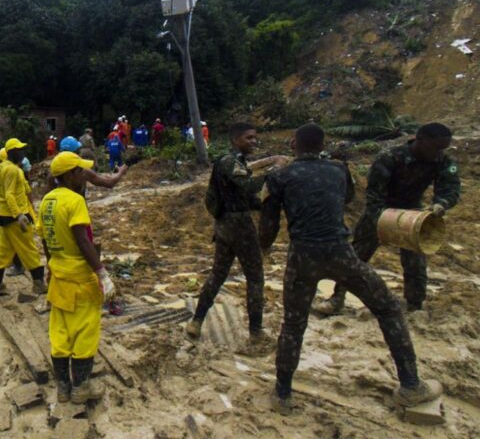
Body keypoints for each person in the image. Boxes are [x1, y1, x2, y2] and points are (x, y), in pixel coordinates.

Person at [259, 123, 443, 414]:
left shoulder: (279, 177)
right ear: (322, 145)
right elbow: (346, 198)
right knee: (389, 308)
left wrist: (264, 247)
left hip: (302, 257)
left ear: (294, 144)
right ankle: (410, 385)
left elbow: (268, 228)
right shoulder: (338, 170)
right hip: (342, 254)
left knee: (293, 325)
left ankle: (282, 394)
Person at [315, 122, 461, 316]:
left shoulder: (443, 160)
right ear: (421, 140)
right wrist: (384, 220)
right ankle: (337, 298)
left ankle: (414, 305)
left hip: (413, 212)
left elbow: (450, 188)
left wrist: (441, 204)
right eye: (436, 147)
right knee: (356, 258)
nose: (438, 153)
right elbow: (374, 194)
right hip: (380, 210)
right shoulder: (390, 157)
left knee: (416, 263)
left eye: (443, 148)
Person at [187, 123, 285, 349]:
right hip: (240, 227)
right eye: (249, 138)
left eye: (255, 137)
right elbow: (248, 186)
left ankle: (197, 321)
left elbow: (243, 196)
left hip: (224, 227)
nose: (254, 141)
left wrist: (264, 205)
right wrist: (274, 170)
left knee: (218, 274)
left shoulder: (235, 162)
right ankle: (256, 332)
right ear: (235, 140)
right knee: (255, 277)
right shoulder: (229, 162)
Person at [38, 152, 117, 404]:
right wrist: (102, 273)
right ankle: (81, 387)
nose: (84, 175)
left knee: (60, 333)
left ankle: (63, 387)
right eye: (81, 171)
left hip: (59, 277)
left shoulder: (47, 201)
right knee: (85, 332)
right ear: (71, 174)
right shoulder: (75, 201)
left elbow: (45, 239)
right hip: (80, 278)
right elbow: (83, 240)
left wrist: (51, 265)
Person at [0, 138, 46, 295]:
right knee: (29, 249)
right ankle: (38, 284)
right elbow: (9, 194)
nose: (22, 153)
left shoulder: (3, 167)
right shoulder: (12, 170)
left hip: (5, 215)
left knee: (4, 250)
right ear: (12, 152)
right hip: (15, 217)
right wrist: (19, 215)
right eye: (19, 150)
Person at [57, 136, 128, 190]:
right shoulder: (81, 171)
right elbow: (109, 183)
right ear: (76, 152)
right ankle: (97, 168)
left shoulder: (53, 172)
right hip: (77, 204)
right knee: (94, 158)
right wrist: (120, 173)